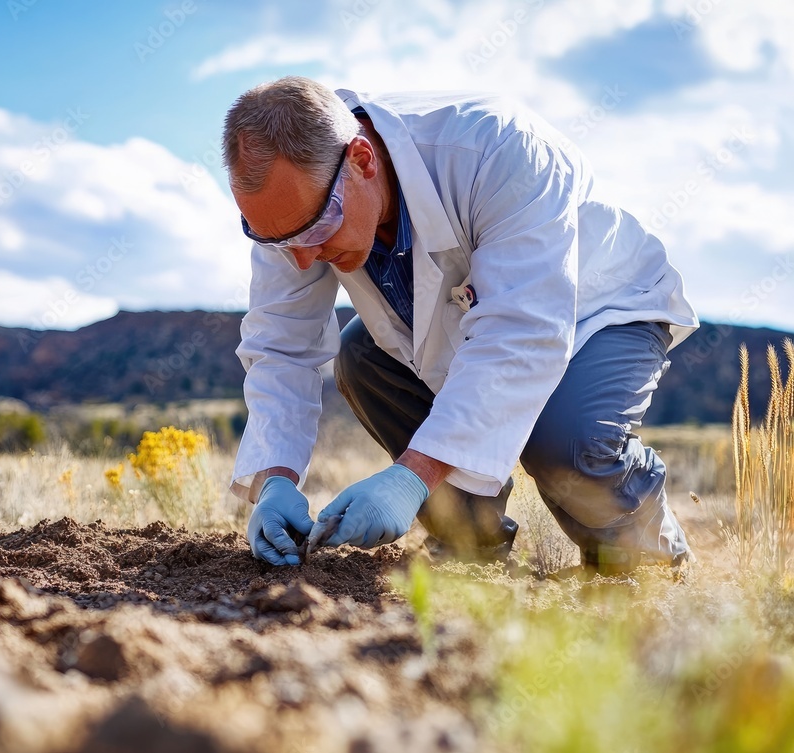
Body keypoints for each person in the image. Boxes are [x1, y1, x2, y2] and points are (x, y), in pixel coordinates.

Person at [221, 76, 699, 574]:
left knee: (566, 442)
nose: (302, 261)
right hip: (473, 325)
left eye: (317, 231)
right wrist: (275, 478)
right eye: (277, 242)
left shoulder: (499, 149)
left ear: (362, 161)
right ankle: (471, 549)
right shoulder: (295, 207)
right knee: (362, 357)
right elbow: (281, 345)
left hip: (595, 309)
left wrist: (411, 477)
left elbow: (520, 336)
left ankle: (647, 559)